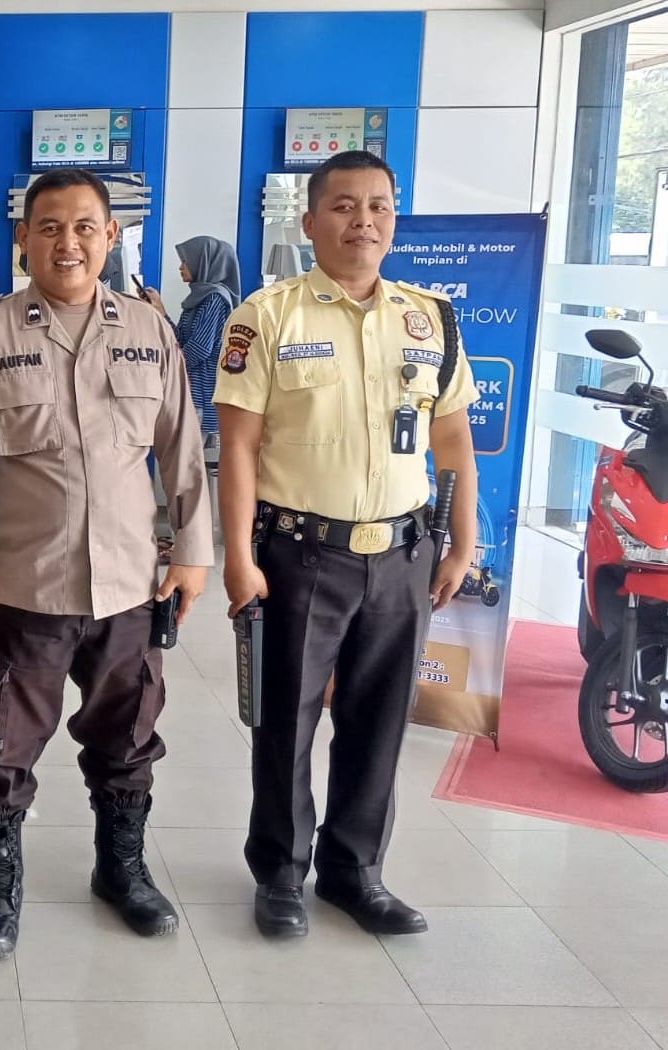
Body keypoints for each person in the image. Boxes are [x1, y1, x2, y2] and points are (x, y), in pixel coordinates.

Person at [0, 168, 213, 960]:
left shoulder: (148, 329)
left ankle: (121, 869)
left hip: (129, 583)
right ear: (23, 238)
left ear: (110, 236)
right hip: (25, 584)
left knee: (129, 735)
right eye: (49, 226)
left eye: (85, 226)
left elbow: (182, 448)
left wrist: (194, 552)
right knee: (1, 740)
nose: (69, 242)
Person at [214, 150, 479, 940]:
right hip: (301, 554)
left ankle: (355, 872)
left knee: (380, 722)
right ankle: (281, 872)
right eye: (343, 206)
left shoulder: (430, 318)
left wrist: (461, 542)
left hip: (402, 556)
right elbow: (238, 447)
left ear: (394, 218)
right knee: (285, 723)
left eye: (378, 206)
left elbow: (453, 439)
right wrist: (237, 557)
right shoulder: (267, 316)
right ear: (309, 221)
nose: (363, 221)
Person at [142, 235, 241, 435]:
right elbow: (180, 339)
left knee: (187, 453)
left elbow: (199, 349)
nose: (181, 267)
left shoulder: (214, 298)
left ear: (202, 262)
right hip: (190, 394)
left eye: (185, 261)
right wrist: (160, 311)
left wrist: (167, 367)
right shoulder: (200, 298)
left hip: (199, 398)